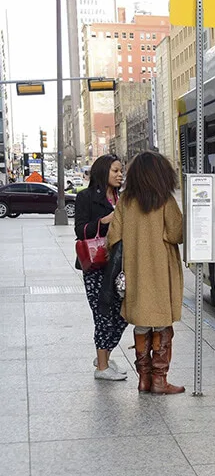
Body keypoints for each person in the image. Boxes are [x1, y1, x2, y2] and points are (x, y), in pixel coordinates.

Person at [108, 151, 185, 394]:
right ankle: (160, 380)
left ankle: (143, 379)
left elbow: (113, 237)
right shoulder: (165, 201)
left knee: (141, 325)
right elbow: (176, 234)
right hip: (161, 273)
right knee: (162, 325)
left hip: (135, 275)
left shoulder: (126, 203)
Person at [74, 154, 128, 381]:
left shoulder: (121, 198)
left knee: (123, 314)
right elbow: (80, 230)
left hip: (118, 264)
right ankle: (102, 368)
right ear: (103, 171)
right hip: (96, 266)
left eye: (120, 171)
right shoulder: (85, 197)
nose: (119, 175)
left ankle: (104, 354)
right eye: (115, 171)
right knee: (103, 314)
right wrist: (104, 222)